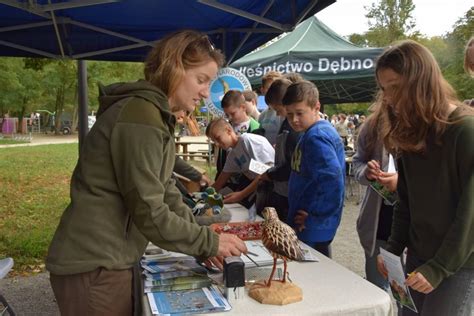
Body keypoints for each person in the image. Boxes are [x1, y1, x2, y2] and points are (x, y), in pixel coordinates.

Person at [46, 30, 247, 316]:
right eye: (201, 80)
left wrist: (201, 234)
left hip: (108, 260)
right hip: (96, 263)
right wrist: (208, 242)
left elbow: (166, 192)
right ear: (173, 68)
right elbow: (150, 210)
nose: (205, 92)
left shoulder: (152, 114)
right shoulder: (142, 117)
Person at [374, 40, 474, 316]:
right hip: (419, 258)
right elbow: (406, 202)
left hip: (459, 264)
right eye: (384, 89)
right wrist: (393, 248)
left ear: (421, 81)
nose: (389, 98)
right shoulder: (412, 132)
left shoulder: (465, 131)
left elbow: (470, 215)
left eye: (394, 87)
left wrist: (439, 266)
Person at [283, 81, 345, 258]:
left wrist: (315, 215)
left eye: (299, 113)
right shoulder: (310, 132)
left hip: (312, 225)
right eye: (289, 115)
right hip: (312, 224)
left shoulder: (316, 137)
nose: (294, 120)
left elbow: (333, 181)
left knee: (315, 271)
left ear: (316, 107)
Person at [352, 102, 398, 291]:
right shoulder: (372, 126)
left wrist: (402, 181)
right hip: (379, 226)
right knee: (377, 288)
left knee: (409, 298)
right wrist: (367, 172)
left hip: (414, 228)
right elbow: (358, 162)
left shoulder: (426, 123)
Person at [258, 77, 302, 221]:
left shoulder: (293, 128)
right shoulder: (286, 125)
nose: (277, 114)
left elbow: (290, 166)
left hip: (289, 193)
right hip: (283, 191)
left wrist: (270, 174)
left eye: (277, 109)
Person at [206, 118, 274, 208]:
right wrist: (202, 196)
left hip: (272, 191)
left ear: (228, 131)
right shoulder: (233, 153)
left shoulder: (247, 141)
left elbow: (264, 173)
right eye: (214, 141)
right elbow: (220, 181)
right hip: (261, 190)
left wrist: (240, 195)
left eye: (218, 138)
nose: (217, 144)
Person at [258, 71, 283, 145]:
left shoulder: (284, 113)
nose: (273, 92)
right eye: (269, 88)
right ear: (262, 90)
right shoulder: (262, 115)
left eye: (275, 88)